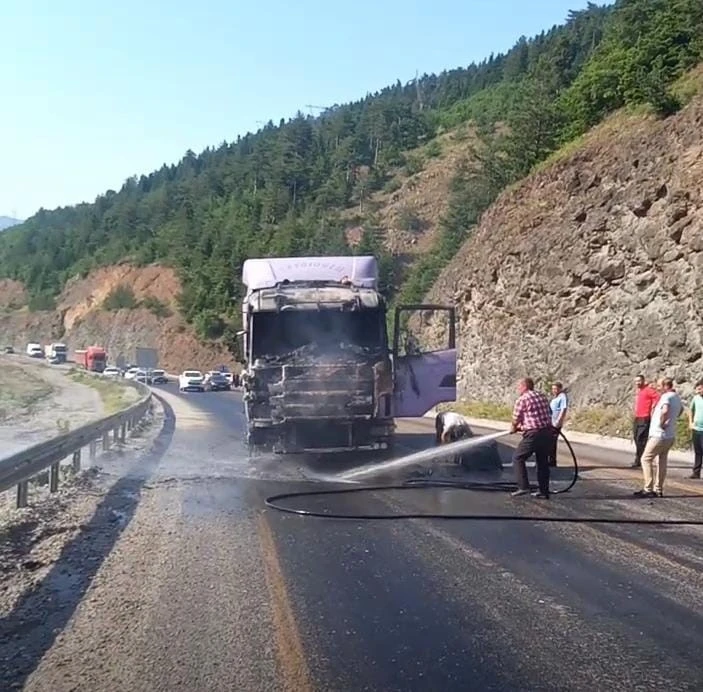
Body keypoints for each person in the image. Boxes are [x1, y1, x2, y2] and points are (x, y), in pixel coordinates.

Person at [634, 377, 683, 498]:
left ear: (666, 386)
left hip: (659, 435)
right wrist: (672, 420)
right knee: (662, 461)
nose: (657, 388)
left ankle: (648, 488)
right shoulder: (676, 397)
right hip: (670, 435)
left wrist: (662, 423)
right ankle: (658, 489)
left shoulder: (666, 397)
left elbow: (665, 410)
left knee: (645, 459)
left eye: (659, 386)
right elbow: (681, 410)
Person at [510, 377, 554, 499]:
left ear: (524, 386)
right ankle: (544, 491)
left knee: (518, 457)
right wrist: (523, 426)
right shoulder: (542, 396)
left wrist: (514, 427)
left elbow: (516, 418)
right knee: (542, 462)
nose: (518, 389)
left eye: (519, 386)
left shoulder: (522, 399)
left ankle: (523, 487)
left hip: (533, 434)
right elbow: (545, 414)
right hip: (546, 432)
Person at [631, 374, 659, 468]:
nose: (637, 383)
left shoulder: (648, 390)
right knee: (636, 438)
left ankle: (641, 459)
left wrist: (653, 408)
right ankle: (640, 458)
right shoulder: (639, 391)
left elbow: (657, 397)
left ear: (643, 381)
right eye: (636, 381)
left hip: (645, 417)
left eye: (639, 381)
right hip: (637, 417)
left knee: (641, 439)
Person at [548, 382, 569, 467]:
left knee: (552, 442)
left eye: (556, 389)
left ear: (560, 389)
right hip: (551, 422)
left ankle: (552, 461)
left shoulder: (563, 397)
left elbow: (563, 410)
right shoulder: (555, 398)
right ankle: (550, 460)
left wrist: (558, 421)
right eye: (553, 389)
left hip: (556, 423)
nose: (554, 390)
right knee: (549, 442)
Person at [686, 379, 703, 479]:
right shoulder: (696, 398)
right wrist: (690, 423)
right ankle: (696, 472)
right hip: (696, 428)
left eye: (700, 389)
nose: (698, 391)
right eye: (697, 389)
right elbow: (690, 410)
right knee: (698, 451)